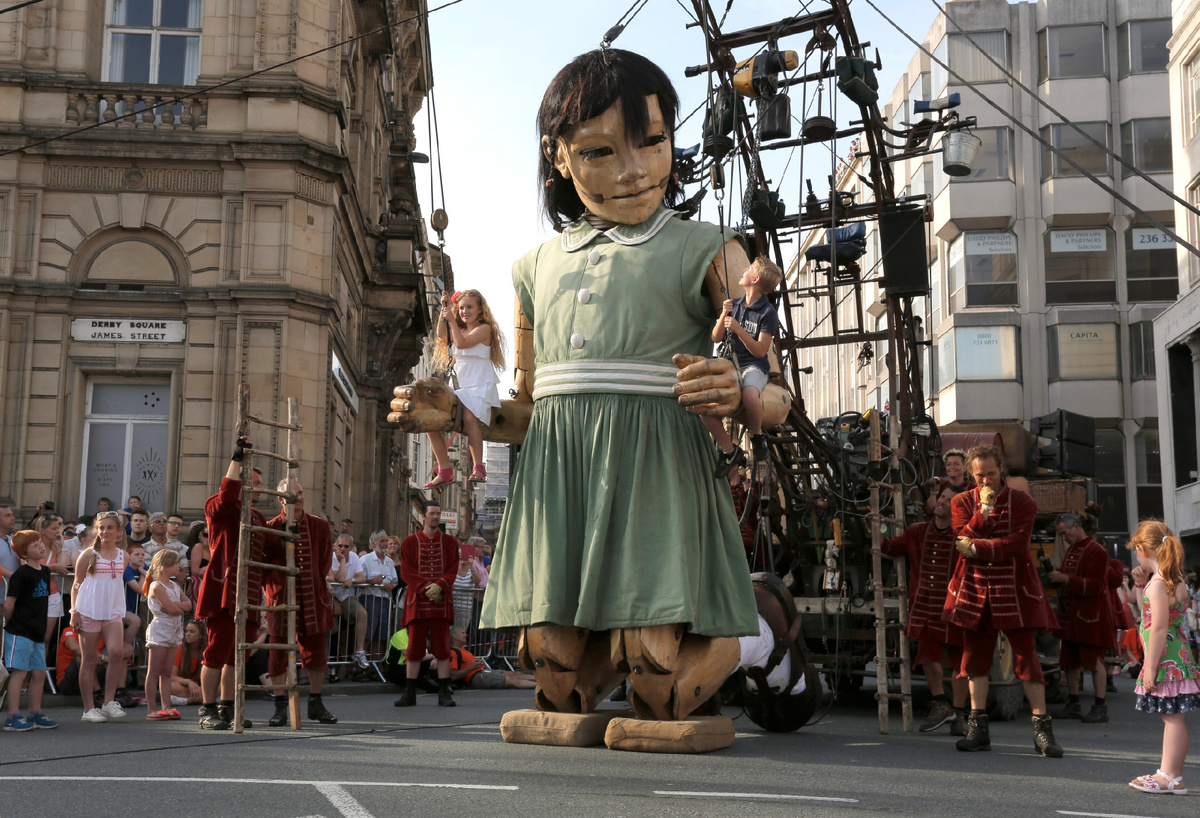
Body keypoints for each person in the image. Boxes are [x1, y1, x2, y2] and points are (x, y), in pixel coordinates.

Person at [472, 49, 760, 725]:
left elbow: (763, 381)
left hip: (657, 459)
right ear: (559, 158)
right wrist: (462, 410)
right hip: (561, 469)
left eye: (651, 141)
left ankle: (734, 643)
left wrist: (737, 387)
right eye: (600, 152)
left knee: (654, 668)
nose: (632, 170)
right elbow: (524, 409)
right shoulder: (531, 267)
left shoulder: (713, 247)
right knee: (551, 669)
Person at [949, 444, 1062, 757]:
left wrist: (979, 548)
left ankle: (1042, 732)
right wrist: (983, 513)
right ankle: (978, 730)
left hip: (1015, 590)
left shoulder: (1023, 501)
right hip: (975, 590)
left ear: (1002, 471)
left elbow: (1018, 543)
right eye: (979, 476)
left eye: (991, 474)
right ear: (972, 476)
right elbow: (961, 539)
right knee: (974, 660)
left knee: (1027, 658)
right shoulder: (961, 501)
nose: (985, 481)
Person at [879, 485, 969, 735]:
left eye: (950, 500)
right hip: (925, 605)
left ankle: (959, 715)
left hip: (956, 606)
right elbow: (891, 547)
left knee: (961, 664)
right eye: (942, 497)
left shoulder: (964, 535)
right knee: (928, 656)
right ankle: (941, 703)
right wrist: (875, 532)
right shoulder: (917, 531)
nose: (943, 502)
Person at [199, 440, 270, 731]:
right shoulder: (219, 506)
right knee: (217, 651)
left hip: (250, 594)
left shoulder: (256, 516)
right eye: (251, 482)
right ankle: (206, 710)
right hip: (224, 591)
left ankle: (227, 707)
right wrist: (236, 461)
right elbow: (227, 497)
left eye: (259, 483)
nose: (258, 487)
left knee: (236, 654)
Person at [1126, 520, 1200, 795]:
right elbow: (1146, 611)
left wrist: (1150, 667)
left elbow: (1156, 627)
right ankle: (1170, 774)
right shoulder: (1174, 581)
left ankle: (1170, 775)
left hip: (1166, 661)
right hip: (1178, 657)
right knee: (1173, 717)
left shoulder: (1158, 585)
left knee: (1172, 719)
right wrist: (1138, 583)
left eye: (1136, 549)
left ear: (1143, 549)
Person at [263, 478, 337, 726]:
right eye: (292, 495)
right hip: (281, 597)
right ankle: (280, 707)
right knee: (279, 653)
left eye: (301, 493)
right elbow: (266, 565)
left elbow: (325, 560)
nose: (299, 499)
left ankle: (316, 703)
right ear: (280, 499)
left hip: (312, 597)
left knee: (316, 652)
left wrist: (315, 584)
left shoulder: (319, 525)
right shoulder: (271, 527)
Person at [705, 255, 783, 474]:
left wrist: (738, 329)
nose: (744, 270)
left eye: (748, 269)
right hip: (731, 366)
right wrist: (723, 315)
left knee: (750, 394)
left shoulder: (767, 313)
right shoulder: (736, 304)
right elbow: (716, 338)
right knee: (704, 404)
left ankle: (757, 436)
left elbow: (760, 351)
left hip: (753, 367)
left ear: (755, 279)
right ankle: (729, 451)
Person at [424, 288, 505, 487]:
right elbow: (442, 335)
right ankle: (444, 469)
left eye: (469, 307)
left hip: (478, 385)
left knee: (469, 417)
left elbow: (461, 344)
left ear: (479, 310)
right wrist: (444, 312)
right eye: (461, 308)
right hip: (460, 387)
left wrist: (451, 318)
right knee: (429, 421)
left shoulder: (484, 329)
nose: (464, 311)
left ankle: (479, 466)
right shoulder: (457, 328)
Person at [1047, 513, 1115, 724]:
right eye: (1061, 535)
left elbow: (1096, 585)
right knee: (1070, 662)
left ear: (1076, 527)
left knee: (1094, 661)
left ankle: (1100, 706)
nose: (1064, 538)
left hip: (1089, 615)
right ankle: (1073, 703)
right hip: (1071, 615)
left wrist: (1065, 578)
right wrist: (1057, 578)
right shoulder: (1073, 549)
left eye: (1065, 533)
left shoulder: (1096, 551)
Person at [396, 501, 459, 707]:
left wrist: (440, 585)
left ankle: (443, 692)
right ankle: (410, 692)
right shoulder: (408, 543)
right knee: (414, 648)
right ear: (424, 516)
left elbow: (452, 569)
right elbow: (407, 571)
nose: (435, 517)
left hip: (441, 601)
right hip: (418, 601)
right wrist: (425, 587)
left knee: (442, 647)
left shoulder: (450, 543)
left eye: (438, 514)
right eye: (431, 513)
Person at [69, 511, 130, 723]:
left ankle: (108, 702)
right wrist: (74, 612)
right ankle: (88, 709)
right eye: (101, 527)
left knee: (116, 652)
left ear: (119, 531)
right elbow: (76, 585)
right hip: (88, 610)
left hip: (112, 611)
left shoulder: (125, 556)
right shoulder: (88, 554)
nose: (105, 531)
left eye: (110, 527)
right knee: (89, 659)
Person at [2, 530, 58, 731]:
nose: (40, 547)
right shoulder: (21, 574)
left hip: (37, 631)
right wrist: (12, 623)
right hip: (20, 631)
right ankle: (13, 716)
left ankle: (35, 713)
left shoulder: (44, 571)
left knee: (39, 673)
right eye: (34, 546)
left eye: (39, 543)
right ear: (23, 554)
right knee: (19, 673)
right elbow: (9, 604)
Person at [143, 549, 191, 720]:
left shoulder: (175, 586)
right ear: (165, 567)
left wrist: (174, 606)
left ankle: (166, 707)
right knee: (154, 671)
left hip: (174, 631)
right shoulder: (157, 586)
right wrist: (176, 607)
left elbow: (189, 604)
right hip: (160, 632)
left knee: (166, 672)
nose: (179, 566)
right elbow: (170, 609)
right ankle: (151, 709)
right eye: (176, 563)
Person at [442, 625, 536, 690]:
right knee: (512, 680)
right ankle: (542, 687)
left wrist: (478, 664)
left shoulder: (464, 651)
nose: (465, 635)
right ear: (454, 635)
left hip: (484, 671)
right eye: (462, 633)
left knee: (516, 674)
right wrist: (471, 667)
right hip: (477, 677)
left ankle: (544, 682)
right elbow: (453, 676)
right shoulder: (452, 653)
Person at [33, 514, 69, 665]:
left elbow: (64, 566)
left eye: (58, 528)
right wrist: (53, 567)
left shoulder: (56, 548)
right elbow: (29, 567)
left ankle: (39, 676)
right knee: (33, 638)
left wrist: (62, 546)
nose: (58, 531)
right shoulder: (32, 545)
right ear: (43, 530)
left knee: (45, 640)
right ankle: (26, 679)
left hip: (53, 596)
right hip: (33, 597)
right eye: (54, 528)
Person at [358, 530, 397, 666]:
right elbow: (357, 579)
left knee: (381, 636)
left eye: (386, 541)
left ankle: (375, 666)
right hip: (370, 599)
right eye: (382, 541)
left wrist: (390, 585)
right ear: (374, 544)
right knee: (368, 634)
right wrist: (369, 581)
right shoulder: (365, 560)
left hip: (385, 600)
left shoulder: (390, 562)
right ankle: (359, 667)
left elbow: (394, 581)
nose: (385, 544)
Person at [329, 534, 367, 673]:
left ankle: (360, 651)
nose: (342, 549)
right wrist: (343, 561)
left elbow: (362, 577)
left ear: (351, 548)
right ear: (335, 546)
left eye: (346, 546)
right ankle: (331, 664)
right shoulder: (332, 557)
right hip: (329, 597)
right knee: (333, 630)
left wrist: (353, 581)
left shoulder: (355, 557)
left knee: (362, 613)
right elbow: (338, 578)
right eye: (340, 545)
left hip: (345, 597)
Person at [143, 512, 190, 579]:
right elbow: (152, 570)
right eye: (157, 521)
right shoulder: (145, 547)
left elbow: (185, 566)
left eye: (164, 521)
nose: (161, 523)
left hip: (178, 585)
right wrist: (177, 576)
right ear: (150, 527)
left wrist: (178, 583)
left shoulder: (177, 544)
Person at [170, 620, 206, 707]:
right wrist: (189, 682)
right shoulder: (181, 649)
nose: (187, 634)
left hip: (202, 687)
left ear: (201, 635)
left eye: (192, 632)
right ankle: (205, 699)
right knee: (171, 686)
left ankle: (187, 700)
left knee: (222, 686)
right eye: (186, 631)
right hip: (186, 687)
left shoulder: (207, 649)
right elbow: (172, 676)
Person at [122, 544, 146, 657]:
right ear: (129, 557)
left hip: (132, 607)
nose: (140, 557)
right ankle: (126, 648)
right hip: (120, 607)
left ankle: (126, 651)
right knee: (135, 621)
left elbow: (157, 576)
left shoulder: (144, 567)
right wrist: (143, 575)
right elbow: (139, 589)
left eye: (142, 554)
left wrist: (143, 571)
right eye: (136, 554)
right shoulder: (127, 569)